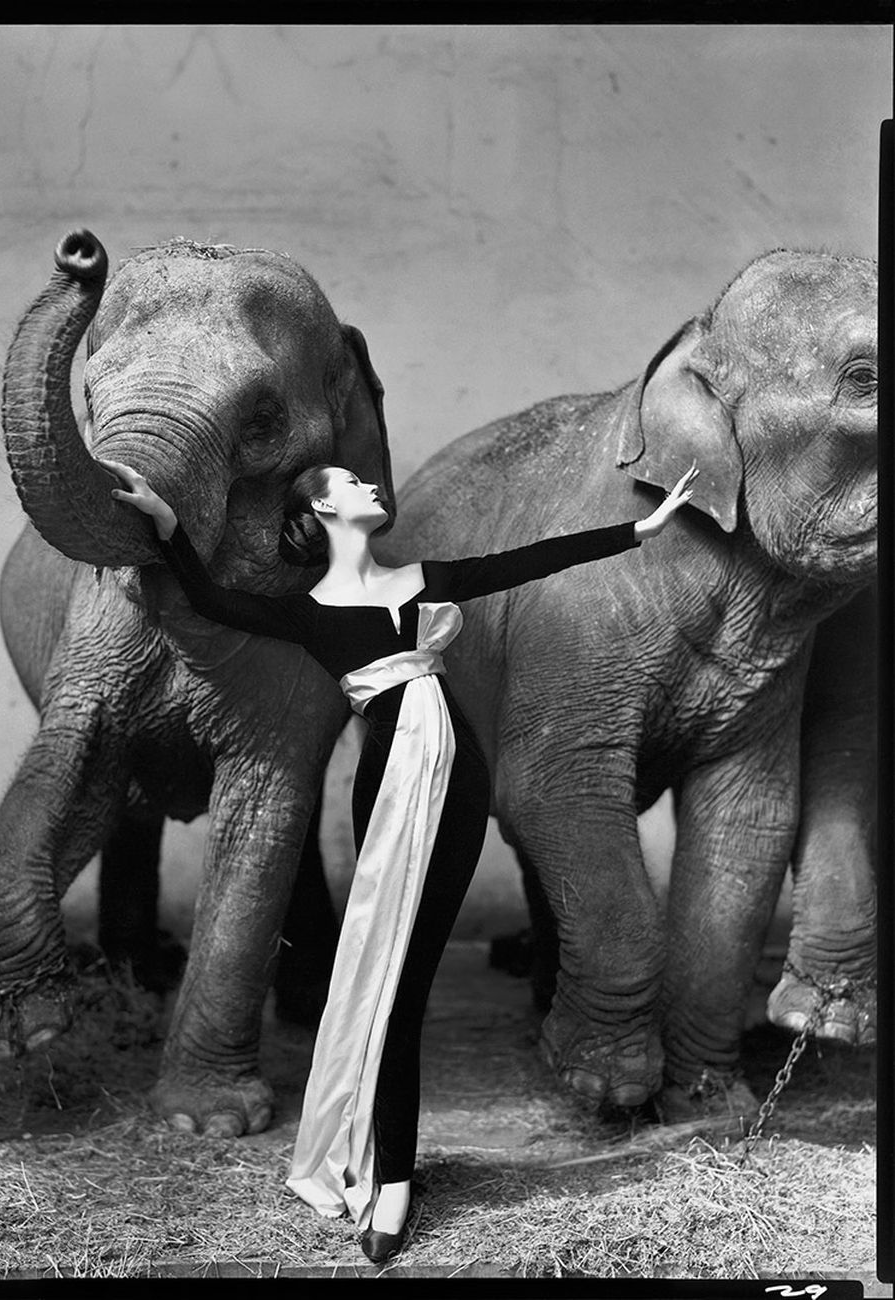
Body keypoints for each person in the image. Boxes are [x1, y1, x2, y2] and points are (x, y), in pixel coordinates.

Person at [102, 456, 697, 1264]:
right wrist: (169, 529)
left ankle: (393, 1177)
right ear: (321, 511)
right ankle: (388, 1180)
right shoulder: (306, 611)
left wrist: (642, 530)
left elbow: (528, 561)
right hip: (389, 784)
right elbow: (207, 598)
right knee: (391, 991)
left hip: (457, 780)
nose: (371, 488)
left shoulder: (423, 578)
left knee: (410, 977)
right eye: (351, 484)